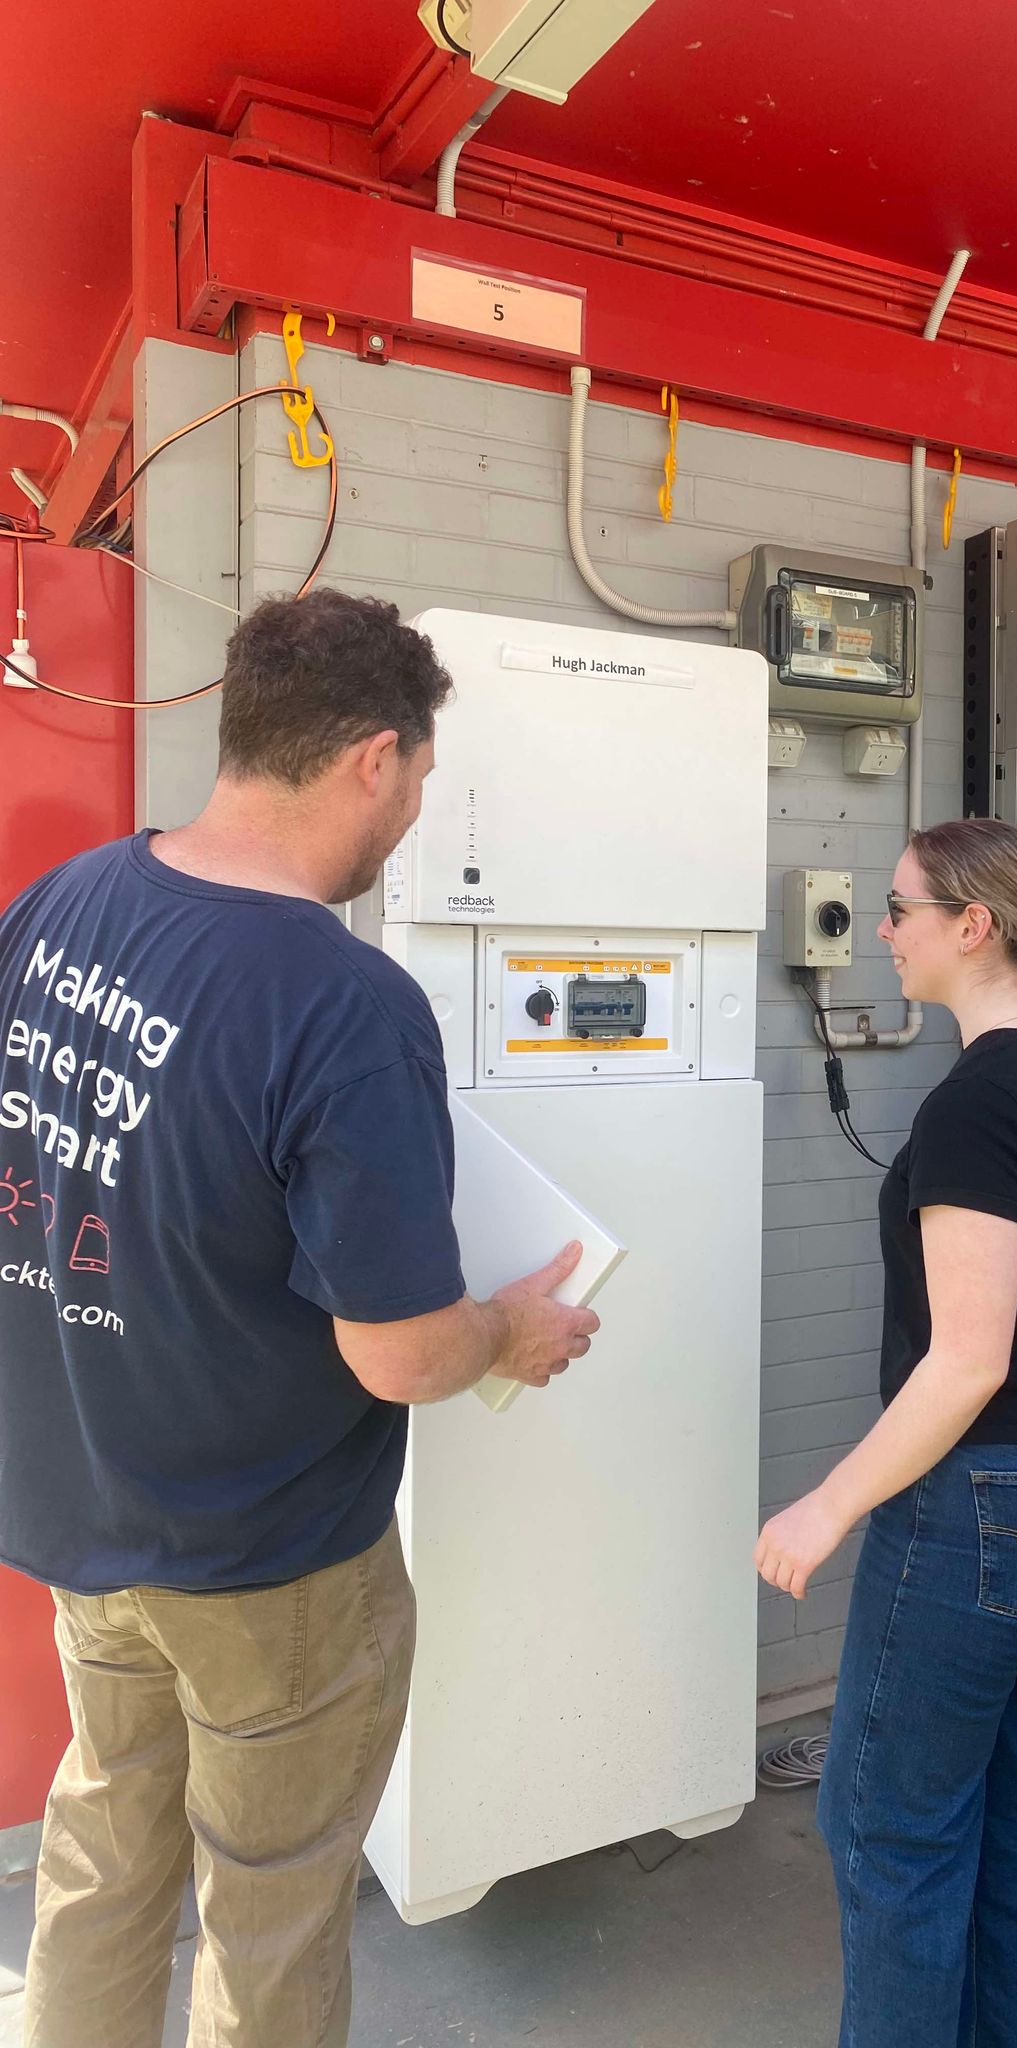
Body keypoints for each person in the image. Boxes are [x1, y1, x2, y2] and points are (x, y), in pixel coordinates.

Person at [2, 590, 599, 2048]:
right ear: (374, 762)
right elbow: (393, 1351)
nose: (413, 809)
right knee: (267, 1908)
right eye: (424, 778)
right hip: (269, 1566)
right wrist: (510, 1336)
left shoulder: (62, 901)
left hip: (89, 1514)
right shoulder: (344, 1003)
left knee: (102, 1855)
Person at [757, 816, 1017, 2048]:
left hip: (990, 1508)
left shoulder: (982, 1098)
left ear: (972, 926)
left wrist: (829, 1503)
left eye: (901, 907)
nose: (883, 929)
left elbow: (968, 1357)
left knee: (887, 1823)